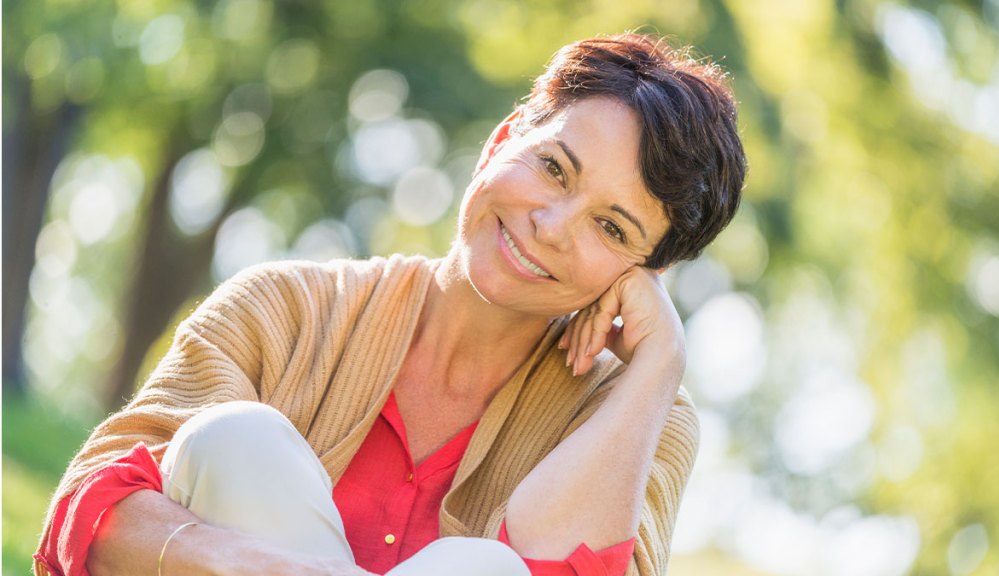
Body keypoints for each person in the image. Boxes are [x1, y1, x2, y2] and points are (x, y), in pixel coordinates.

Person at [35, 32, 746, 576]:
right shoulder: (285, 309)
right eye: (553, 168)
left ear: (642, 276)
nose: (551, 226)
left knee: (486, 570)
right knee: (235, 442)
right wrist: (251, 562)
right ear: (503, 141)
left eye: (611, 227)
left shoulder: (640, 419)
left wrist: (659, 362)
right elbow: (91, 506)